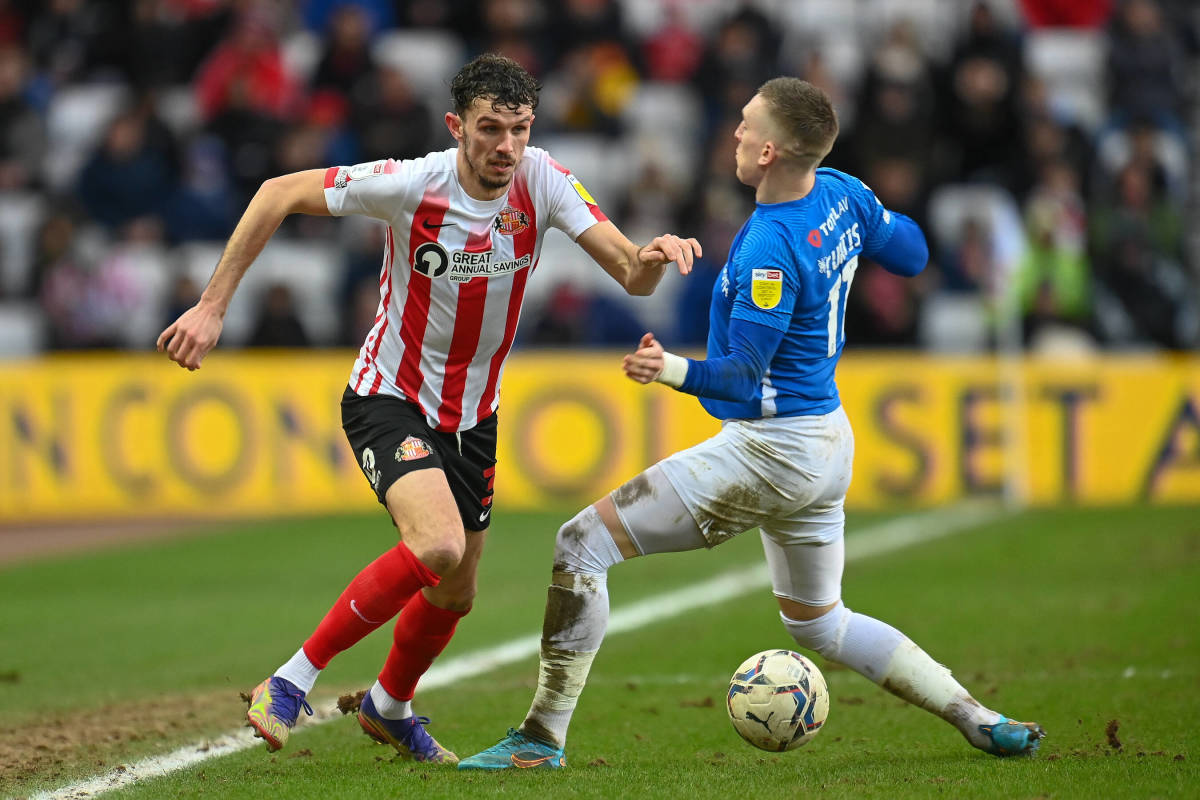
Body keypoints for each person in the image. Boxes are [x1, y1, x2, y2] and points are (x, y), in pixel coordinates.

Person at [459, 77, 1044, 771]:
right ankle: (978, 718)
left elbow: (740, 375)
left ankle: (540, 738)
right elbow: (913, 254)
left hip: (772, 450)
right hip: (826, 439)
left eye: (745, 126)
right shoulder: (843, 192)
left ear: (769, 151)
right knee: (819, 622)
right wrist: (864, 226)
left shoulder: (771, 245)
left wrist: (670, 370)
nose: (733, 133)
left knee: (581, 544)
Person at [156, 53, 700, 764]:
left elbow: (630, 273)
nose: (507, 147)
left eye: (521, 129)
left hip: (473, 416)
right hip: (390, 396)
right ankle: (289, 682)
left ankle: (389, 705)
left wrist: (654, 254)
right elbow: (276, 191)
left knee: (456, 591)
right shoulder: (413, 183)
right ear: (456, 126)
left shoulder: (544, 181)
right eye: (490, 129)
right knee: (437, 545)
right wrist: (212, 303)